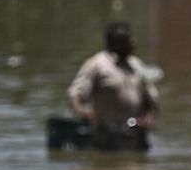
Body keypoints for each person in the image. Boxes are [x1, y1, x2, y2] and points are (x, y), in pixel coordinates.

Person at [67, 22, 160, 151]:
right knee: (109, 168)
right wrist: (84, 112)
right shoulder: (97, 65)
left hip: (137, 137)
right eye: (128, 40)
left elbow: (152, 100)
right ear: (115, 44)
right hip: (107, 137)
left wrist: (149, 118)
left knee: (139, 168)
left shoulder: (137, 65)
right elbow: (75, 94)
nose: (133, 43)